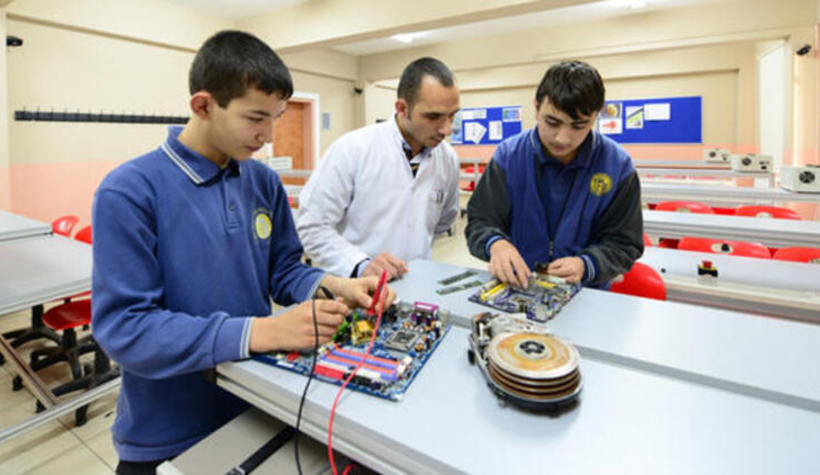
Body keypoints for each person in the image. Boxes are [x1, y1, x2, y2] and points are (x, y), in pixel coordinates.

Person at [91, 30, 395, 474]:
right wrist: (260, 333)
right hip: (167, 431)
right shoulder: (130, 191)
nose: (268, 135)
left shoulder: (262, 182)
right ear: (203, 105)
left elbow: (284, 270)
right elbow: (126, 329)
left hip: (257, 404)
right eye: (256, 118)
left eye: (276, 117)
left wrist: (333, 285)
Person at [465, 60, 643, 289]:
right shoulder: (508, 156)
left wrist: (586, 264)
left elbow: (625, 243)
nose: (562, 138)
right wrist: (496, 244)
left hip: (586, 294)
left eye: (578, 126)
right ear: (536, 108)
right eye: (552, 122)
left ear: (596, 117)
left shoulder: (617, 166)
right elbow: (480, 221)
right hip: (519, 287)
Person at [296, 57, 461, 281]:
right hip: (355, 288)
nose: (446, 129)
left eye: (452, 116)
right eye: (433, 116)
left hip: (416, 285)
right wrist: (361, 265)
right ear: (402, 108)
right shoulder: (352, 150)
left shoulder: (448, 159)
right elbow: (312, 226)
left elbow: (443, 221)